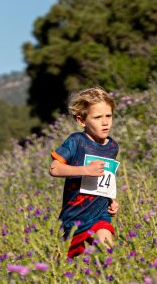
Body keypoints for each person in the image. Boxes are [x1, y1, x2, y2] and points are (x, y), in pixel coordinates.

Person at [48, 87, 120, 258]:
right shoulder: (76, 141)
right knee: (64, 269)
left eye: (108, 116)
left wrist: (111, 200)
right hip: (73, 218)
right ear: (81, 120)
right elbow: (54, 168)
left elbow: (106, 179)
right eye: (97, 117)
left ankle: (107, 283)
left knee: (107, 253)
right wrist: (86, 170)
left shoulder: (112, 146)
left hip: (100, 215)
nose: (105, 122)